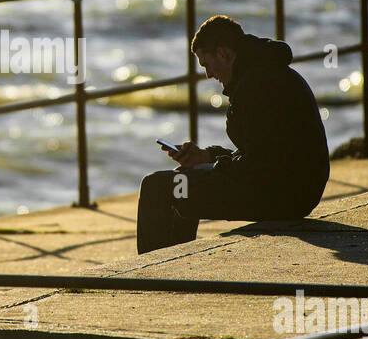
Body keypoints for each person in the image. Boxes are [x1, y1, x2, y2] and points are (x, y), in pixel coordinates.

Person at [136, 15, 330, 254]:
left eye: (206, 64)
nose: (208, 74)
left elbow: (256, 165)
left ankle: (152, 275)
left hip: (280, 196)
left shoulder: (255, 86)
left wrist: (214, 168)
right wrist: (206, 158)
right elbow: (261, 154)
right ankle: (174, 266)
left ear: (223, 54)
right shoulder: (267, 72)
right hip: (295, 189)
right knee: (181, 180)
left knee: (159, 188)